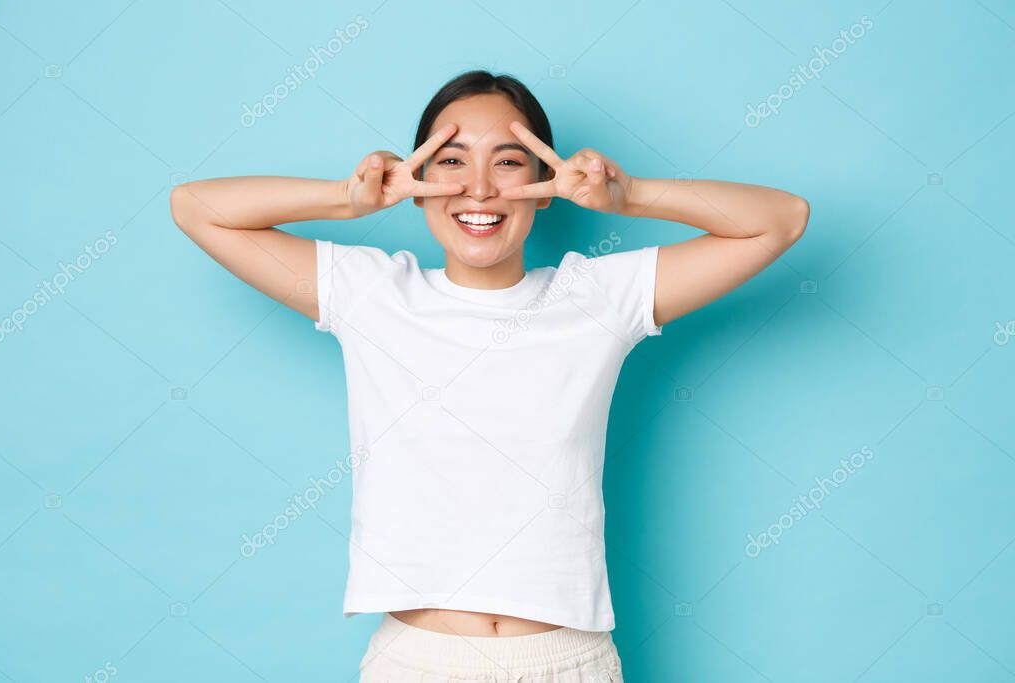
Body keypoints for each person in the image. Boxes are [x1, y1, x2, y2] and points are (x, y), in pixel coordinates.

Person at [169, 69, 809, 681]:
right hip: (417, 665)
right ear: (416, 174)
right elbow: (196, 206)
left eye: (508, 160)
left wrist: (630, 194)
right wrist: (347, 197)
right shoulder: (374, 294)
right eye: (451, 160)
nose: (479, 188)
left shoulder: (595, 298)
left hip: (568, 663)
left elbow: (781, 220)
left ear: (544, 178)